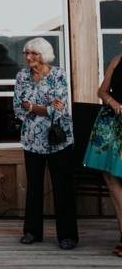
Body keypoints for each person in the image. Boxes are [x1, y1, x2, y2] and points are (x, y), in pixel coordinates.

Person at [13, 37, 78, 250]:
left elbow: (58, 109)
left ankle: (67, 236)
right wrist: (42, 107)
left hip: (59, 139)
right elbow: (18, 107)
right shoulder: (22, 76)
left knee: (63, 188)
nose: (29, 57)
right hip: (32, 140)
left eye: (34, 53)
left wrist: (32, 106)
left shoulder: (59, 74)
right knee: (34, 187)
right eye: (27, 53)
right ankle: (32, 232)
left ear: (44, 55)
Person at [84, 41, 122, 256]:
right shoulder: (117, 61)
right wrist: (112, 101)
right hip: (112, 124)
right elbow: (101, 91)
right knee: (112, 179)